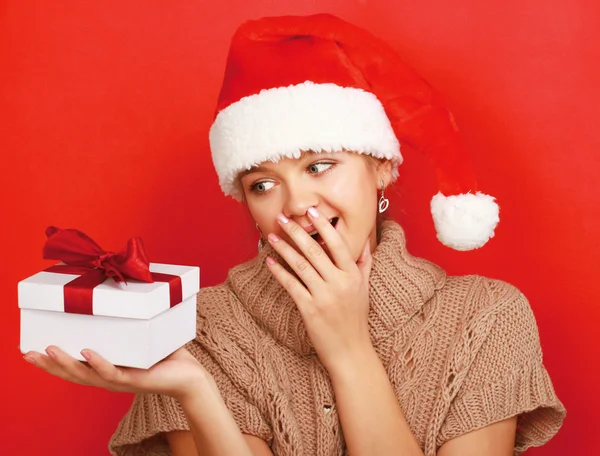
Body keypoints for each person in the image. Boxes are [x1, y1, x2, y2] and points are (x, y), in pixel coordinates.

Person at [22, 14, 566, 456]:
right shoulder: (202, 329)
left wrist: (349, 349)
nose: (298, 204)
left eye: (320, 165)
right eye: (263, 183)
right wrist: (197, 392)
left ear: (382, 168)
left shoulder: (486, 317)